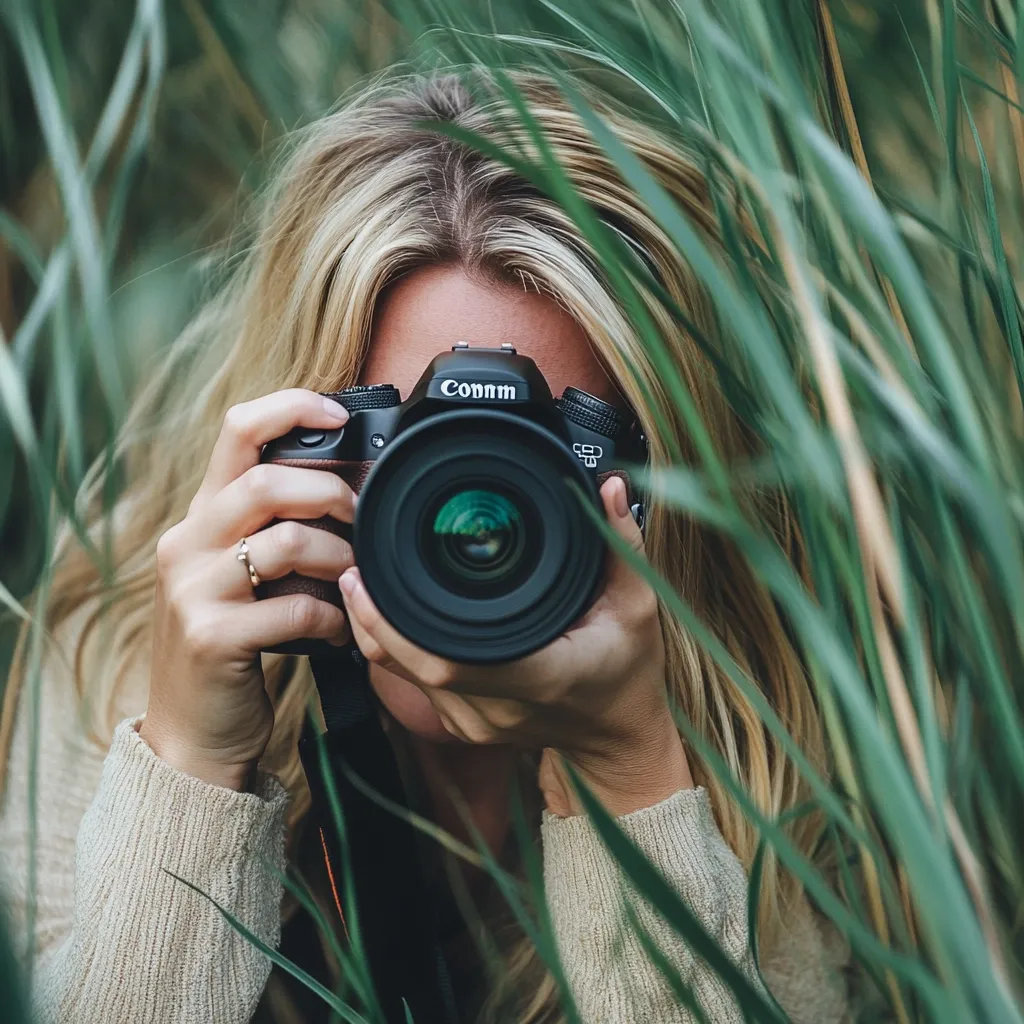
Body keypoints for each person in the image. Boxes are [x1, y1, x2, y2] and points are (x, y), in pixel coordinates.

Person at [0, 70, 851, 1023]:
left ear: (660, 477)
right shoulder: (127, 634)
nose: (474, 519)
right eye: (411, 448)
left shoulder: (783, 714)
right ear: (299, 440)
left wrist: (629, 772)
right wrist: (192, 755)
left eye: (540, 459)